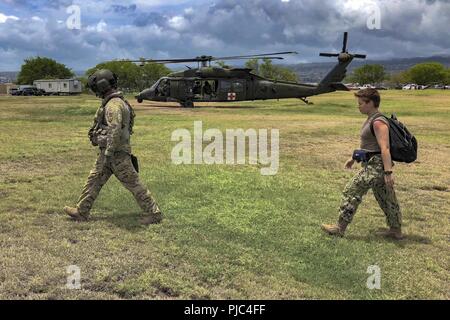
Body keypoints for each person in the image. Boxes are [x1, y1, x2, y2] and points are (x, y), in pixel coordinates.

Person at [63, 69, 162, 225]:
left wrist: (109, 152)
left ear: (101, 86)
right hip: (110, 152)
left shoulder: (113, 105)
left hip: (115, 154)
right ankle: (81, 211)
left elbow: (115, 129)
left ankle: (154, 213)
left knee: (133, 183)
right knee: (94, 180)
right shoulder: (116, 102)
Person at [321, 88, 403, 239]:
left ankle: (340, 227)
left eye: (360, 103)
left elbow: (384, 148)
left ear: (370, 103)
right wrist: (353, 158)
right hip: (372, 164)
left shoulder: (378, 122)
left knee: (352, 190)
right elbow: (369, 146)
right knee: (386, 197)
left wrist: (388, 173)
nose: (358, 106)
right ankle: (395, 230)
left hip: (376, 166)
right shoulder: (371, 119)